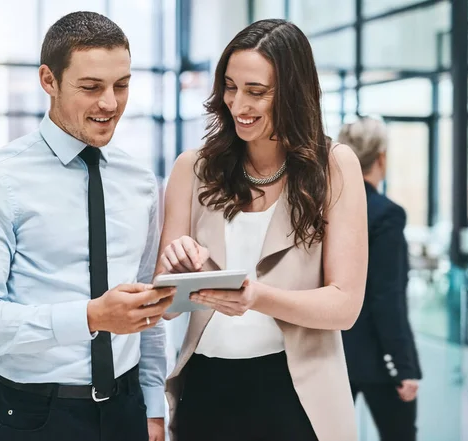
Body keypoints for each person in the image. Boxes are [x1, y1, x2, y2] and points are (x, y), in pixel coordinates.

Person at [0, 12, 174, 441]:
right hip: (34, 415)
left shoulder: (141, 183)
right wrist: (89, 317)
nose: (110, 102)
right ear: (48, 80)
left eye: (121, 85)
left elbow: (147, 310)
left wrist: (152, 406)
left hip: (127, 410)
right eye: (91, 87)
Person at [157, 19, 368, 441]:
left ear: (292, 93)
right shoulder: (193, 168)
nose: (238, 105)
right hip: (206, 387)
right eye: (230, 87)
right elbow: (165, 303)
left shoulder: (334, 166)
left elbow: (345, 305)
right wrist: (175, 269)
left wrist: (257, 298)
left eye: (257, 92)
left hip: (295, 393)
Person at [338, 117, 422, 441]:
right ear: (381, 158)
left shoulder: (325, 207)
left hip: (331, 354)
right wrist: (403, 366)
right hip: (377, 357)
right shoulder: (385, 214)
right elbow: (387, 296)